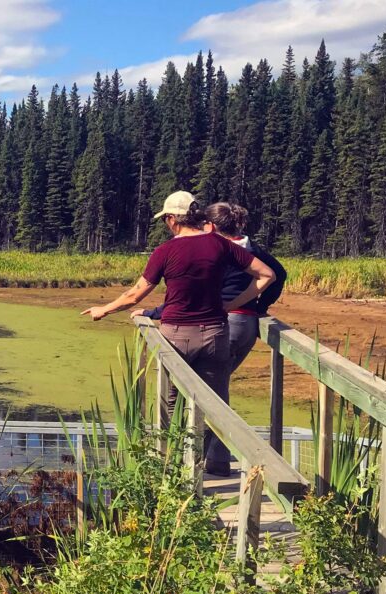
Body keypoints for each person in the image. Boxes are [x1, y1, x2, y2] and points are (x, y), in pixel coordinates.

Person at [81, 191, 277, 477]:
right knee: (214, 406)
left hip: (176, 336)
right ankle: (205, 468)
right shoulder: (220, 245)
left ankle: (173, 472)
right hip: (215, 334)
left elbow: (135, 295)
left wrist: (104, 309)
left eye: (166, 220)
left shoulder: (165, 252)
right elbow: (267, 275)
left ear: (173, 219)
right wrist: (231, 304)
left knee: (171, 405)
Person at [134, 202, 287, 375]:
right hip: (247, 326)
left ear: (211, 226)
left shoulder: (218, 251)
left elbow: (195, 294)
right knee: (216, 385)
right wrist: (259, 307)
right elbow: (279, 274)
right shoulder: (252, 249)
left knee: (197, 388)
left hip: (222, 324)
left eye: (201, 224)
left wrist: (152, 313)